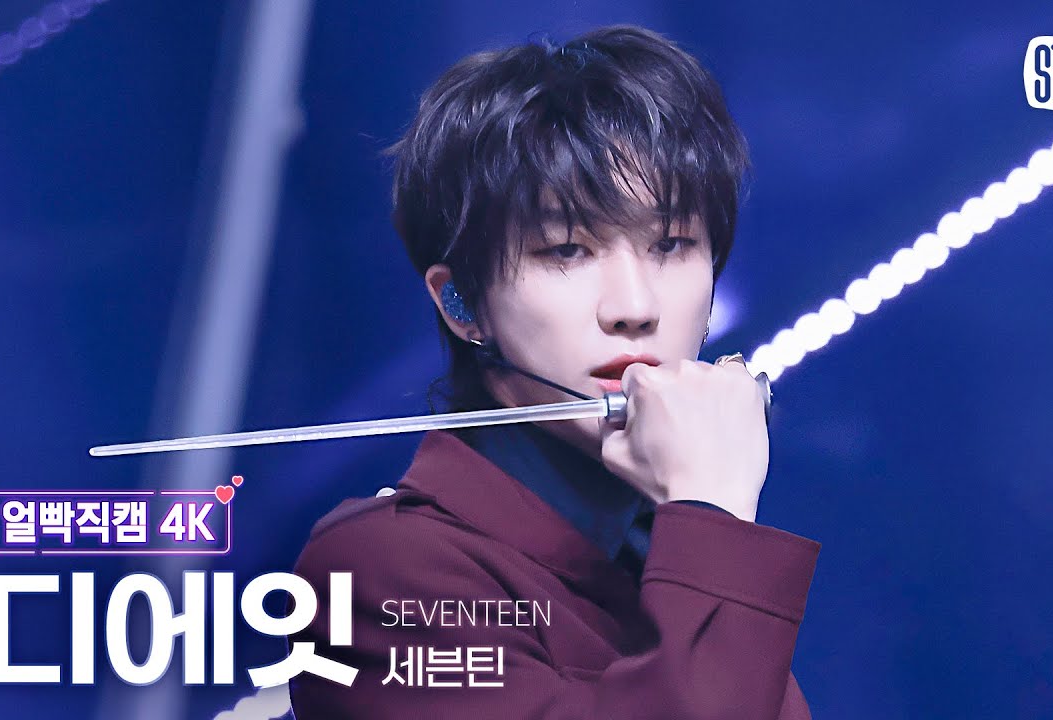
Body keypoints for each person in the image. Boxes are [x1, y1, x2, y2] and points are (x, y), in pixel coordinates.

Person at [289, 25, 822, 719]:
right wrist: (713, 509)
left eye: (671, 244)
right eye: (567, 250)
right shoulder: (378, 569)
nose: (634, 308)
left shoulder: (675, 546)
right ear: (461, 303)